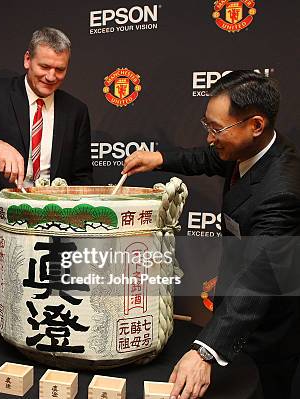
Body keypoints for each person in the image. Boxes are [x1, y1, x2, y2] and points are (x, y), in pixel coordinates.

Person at [122, 70, 300, 399]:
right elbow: (207, 157)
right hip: (233, 312)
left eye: (217, 129)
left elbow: (257, 280)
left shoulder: (281, 191)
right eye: (208, 126)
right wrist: (159, 158)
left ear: (256, 126)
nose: (210, 138)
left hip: (268, 327)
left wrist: (205, 351)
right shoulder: (245, 148)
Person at [0, 27, 93, 310]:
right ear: (28, 59)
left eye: (60, 70)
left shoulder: (76, 111)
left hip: (47, 235)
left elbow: (82, 175)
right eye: (44, 66)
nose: (51, 77)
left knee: (36, 314)